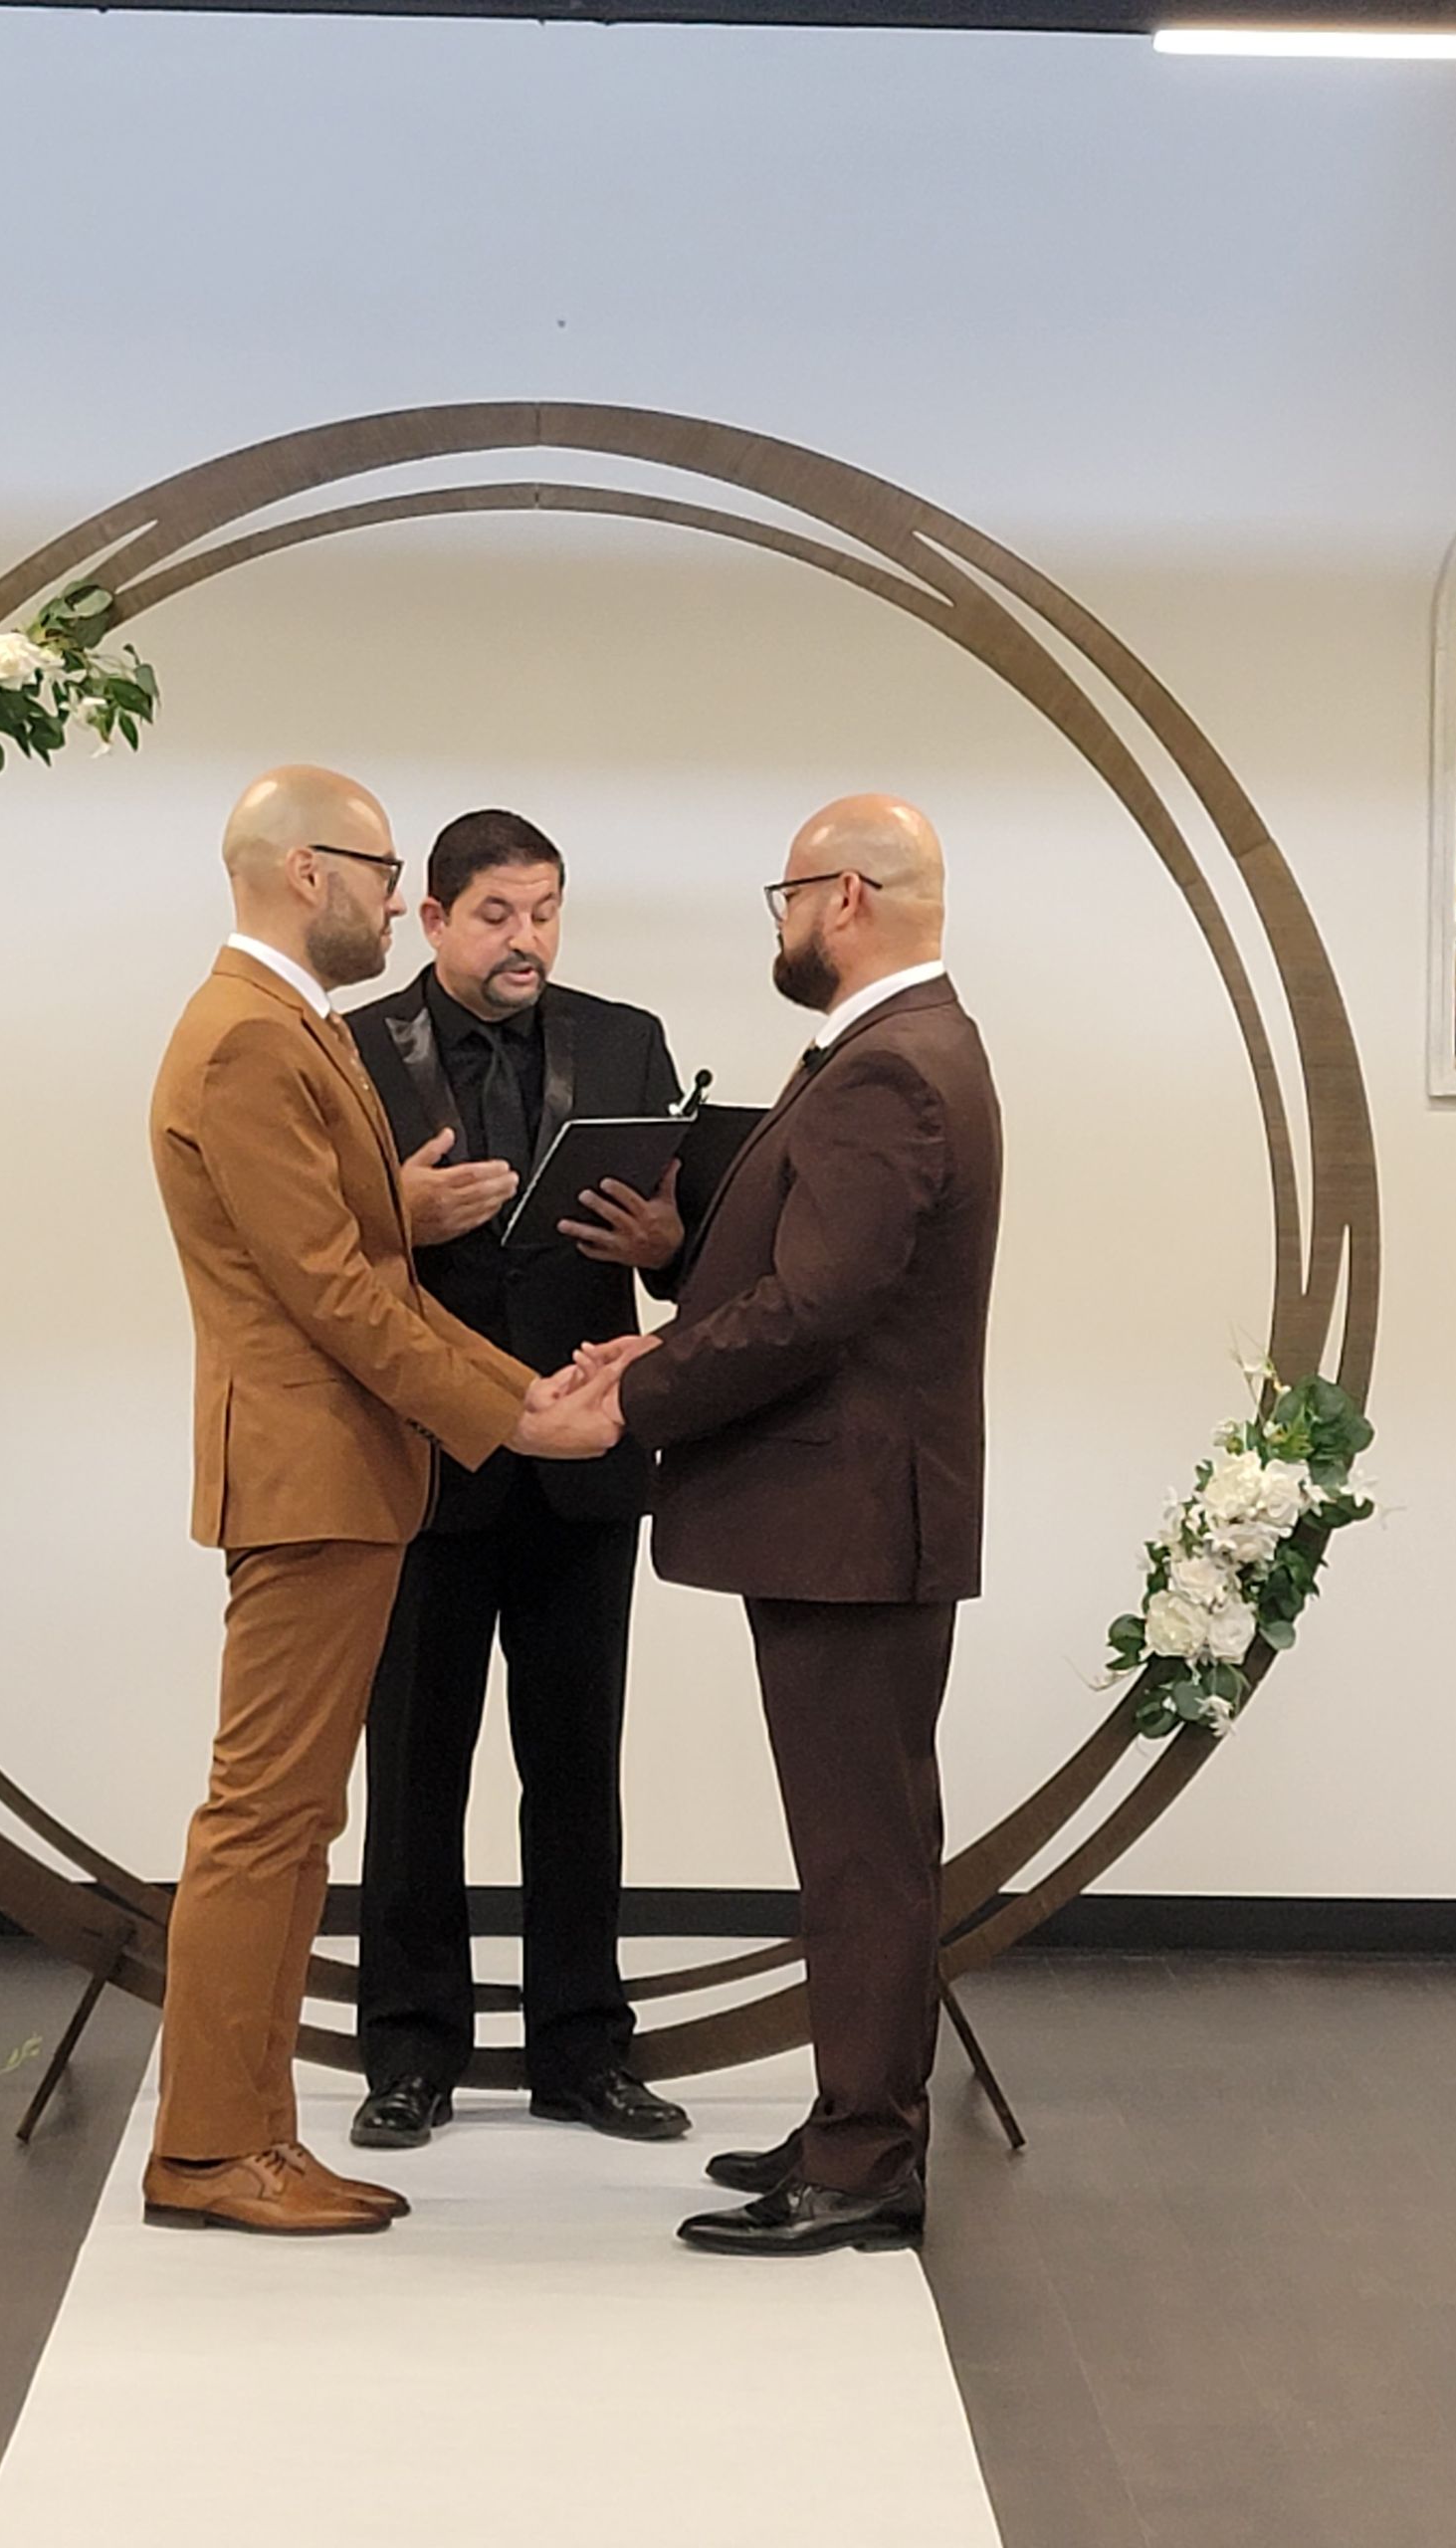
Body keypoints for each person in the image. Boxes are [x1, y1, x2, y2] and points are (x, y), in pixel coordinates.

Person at [142, 766, 622, 2239]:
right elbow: (338, 1295)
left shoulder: (283, 1027)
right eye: (383, 865)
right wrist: (518, 1406)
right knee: (266, 1817)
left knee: (294, 1821)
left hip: (349, 1471)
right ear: (308, 871)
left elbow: (346, 1246)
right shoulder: (250, 1040)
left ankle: (252, 2130)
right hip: (310, 1470)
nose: (388, 887)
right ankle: (215, 2149)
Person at [587, 793, 1002, 2257]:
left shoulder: (894, 1068)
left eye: (785, 895)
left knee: (863, 1849)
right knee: (855, 1839)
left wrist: (637, 1391)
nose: (778, 922)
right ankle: (851, 2118)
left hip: (852, 1518)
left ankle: (871, 2157)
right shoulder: (896, 1052)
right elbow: (813, 1255)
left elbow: (822, 1307)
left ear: (846, 899)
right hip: (848, 1515)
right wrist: (684, 1255)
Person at [344, 809, 692, 2149]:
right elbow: (311, 1252)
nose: (526, 938)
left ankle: (582, 2051)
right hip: (425, 1463)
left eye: (545, 910)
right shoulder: (355, 1050)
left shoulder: (626, 1039)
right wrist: (397, 1216)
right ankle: (413, 2052)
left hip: (587, 1459)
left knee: (577, 1768)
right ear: (431, 921)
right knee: (416, 1770)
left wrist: (670, 1239)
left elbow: (672, 1250)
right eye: (497, 913)